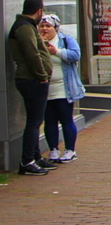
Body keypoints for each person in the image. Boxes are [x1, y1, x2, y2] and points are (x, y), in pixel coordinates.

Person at [8, 0, 55, 175]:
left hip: (33, 78)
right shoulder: (24, 27)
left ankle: (35, 157)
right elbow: (32, 54)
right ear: (39, 11)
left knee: (36, 121)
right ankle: (27, 161)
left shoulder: (27, 26)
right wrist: (42, 75)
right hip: (31, 79)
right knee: (34, 122)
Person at [39, 14, 85, 163]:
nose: (44, 29)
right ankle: (53, 149)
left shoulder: (65, 40)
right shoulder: (37, 41)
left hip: (63, 88)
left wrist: (56, 52)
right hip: (46, 88)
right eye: (42, 26)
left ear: (55, 28)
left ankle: (70, 150)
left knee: (66, 119)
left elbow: (75, 54)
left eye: (48, 26)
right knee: (50, 121)